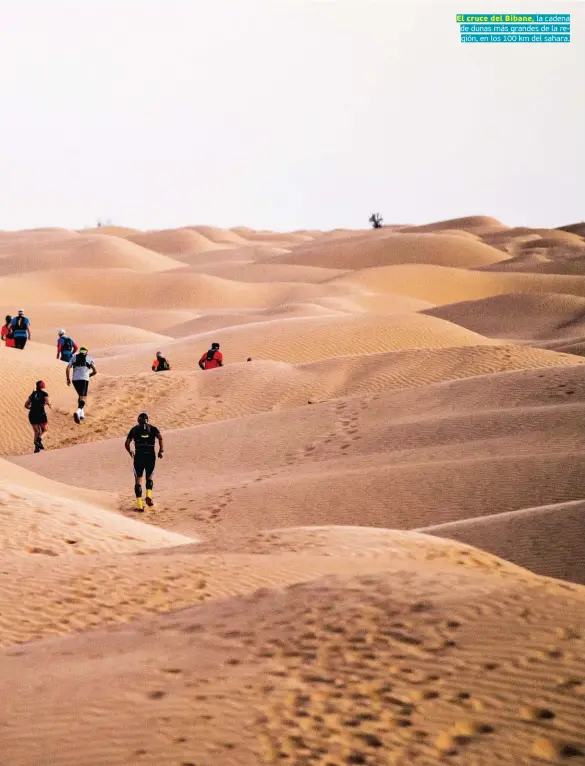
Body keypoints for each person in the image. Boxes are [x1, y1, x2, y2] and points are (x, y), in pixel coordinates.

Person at [124, 412, 164, 511]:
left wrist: (130, 452)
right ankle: (148, 495)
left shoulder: (134, 429)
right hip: (150, 456)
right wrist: (160, 450)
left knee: (138, 480)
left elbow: (127, 443)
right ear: (147, 420)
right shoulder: (153, 428)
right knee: (149, 477)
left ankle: (139, 504)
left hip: (139, 456)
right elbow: (160, 438)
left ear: (138, 421)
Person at [66, 345, 97, 424]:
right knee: (83, 397)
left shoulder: (74, 357)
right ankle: (77, 412)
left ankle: (81, 415)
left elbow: (68, 368)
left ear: (80, 351)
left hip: (75, 380)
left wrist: (68, 379)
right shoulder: (89, 358)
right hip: (84, 379)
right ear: (86, 352)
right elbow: (95, 371)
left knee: (80, 396)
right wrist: (89, 375)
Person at [24, 380, 51, 453]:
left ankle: (36, 449)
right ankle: (39, 440)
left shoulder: (33, 394)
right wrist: (48, 404)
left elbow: (26, 405)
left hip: (32, 414)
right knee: (45, 430)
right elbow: (48, 402)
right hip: (40, 414)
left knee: (36, 431)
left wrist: (32, 408)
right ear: (43, 387)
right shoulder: (44, 393)